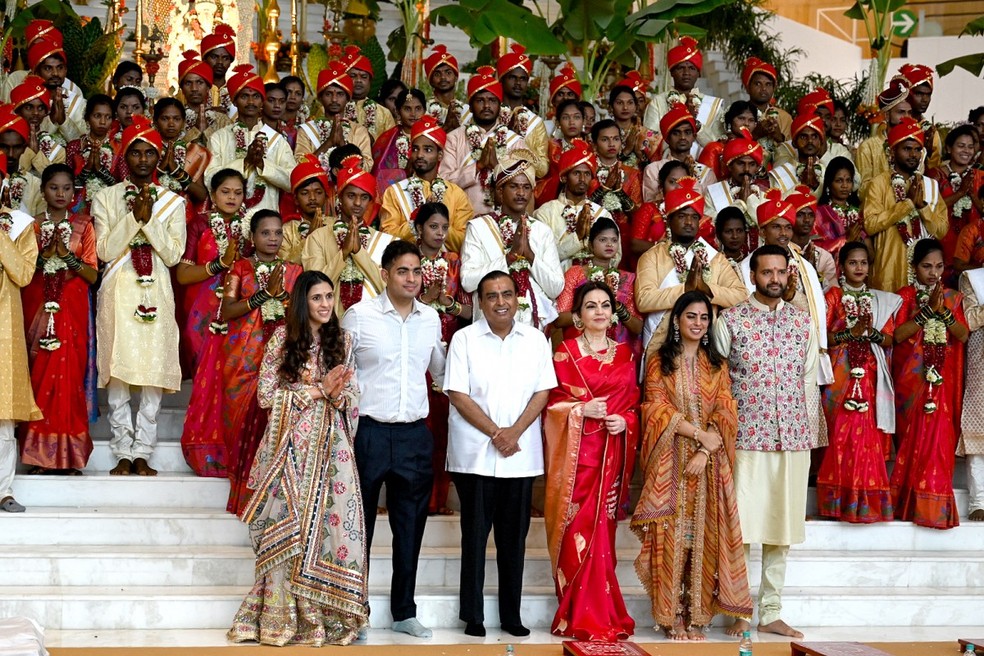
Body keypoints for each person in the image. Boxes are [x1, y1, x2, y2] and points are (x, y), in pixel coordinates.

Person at [228, 270, 368, 646]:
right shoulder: (282, 340)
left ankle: (326, 617)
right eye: (317, 298)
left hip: (332, 453)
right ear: (302, 303)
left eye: (329, 297)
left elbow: (352, 399)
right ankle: (281, 615)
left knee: (329, 533)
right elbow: (265, 396)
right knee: (288, 532)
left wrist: (337, 395)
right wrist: (317, 391)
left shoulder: (345, 340)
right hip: (290, 450)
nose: (326, 305)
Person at [341, 239, 447, 639]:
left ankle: (404, 611)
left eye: (417, 271)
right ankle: (356, 614)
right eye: (403, 271)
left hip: (414, 437)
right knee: (359, 530)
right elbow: (341, 371)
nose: (411, 278)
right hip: (368, 433)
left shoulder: (430, 319)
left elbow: (440, 372)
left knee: (409, 528)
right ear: (384, 274)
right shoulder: (359, 316)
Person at [632, 290, 752, 640]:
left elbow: (726, 410)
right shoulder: (659, 362)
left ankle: (699, 614)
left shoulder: (716, 364)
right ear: (677, 320)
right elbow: (655, 409)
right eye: (691, 317)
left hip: (708, 465)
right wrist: (699, 434)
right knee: (674, 536)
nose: (698, 324)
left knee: (705, 535)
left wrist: (704, 449)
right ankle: (673, 618)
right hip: (670, 462)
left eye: (704, 318)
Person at [445, 270, 556, 638]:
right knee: (474, 538)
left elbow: (542, 392)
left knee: (514, 540)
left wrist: (514, 433)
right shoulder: (464, 339)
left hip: (519, 455)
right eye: (491, 296)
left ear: (517, 297)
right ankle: (472, 616)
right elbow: (458, 394)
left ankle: (512, 615)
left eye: (506, 294)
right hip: (475, 455)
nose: (500, 302)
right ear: (479, 302)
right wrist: (497, 432)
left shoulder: (536, 340)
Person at [713, 244, 815, 639]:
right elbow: (717, 381)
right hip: (746, 437)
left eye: (780, 272)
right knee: (742, 528)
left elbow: (808, 381)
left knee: (781, 529)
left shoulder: (802, 323)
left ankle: (770, 610)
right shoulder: (731, 321)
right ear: (752, 276)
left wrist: (806, 430)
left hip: (791, 438)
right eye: (766, 272)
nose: (775, 279)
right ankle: (739, 610)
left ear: (789, 274)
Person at [544, 280, 638, 641]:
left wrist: (624, 421)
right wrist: (582, 409)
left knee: (603, 533)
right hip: (577, 460)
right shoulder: (565, 353)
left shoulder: (626, 355)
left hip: (610, 457)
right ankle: (574, 612)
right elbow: (552, 406)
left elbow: (632, 405)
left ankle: (603, 611)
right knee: (575, 532)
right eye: (590, 306)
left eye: (604, 305)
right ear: (578, 316)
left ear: (613, 313)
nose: (599, 311)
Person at [92, 116, 186, 477]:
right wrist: (134, 219)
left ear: (159, 159)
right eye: (136, 153)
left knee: (152, 370)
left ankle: (144, 450)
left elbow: (174, 255)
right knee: (118, 371)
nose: (143, 160)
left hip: (156, 290)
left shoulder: (173, 203)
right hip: (119, 290)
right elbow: (104, 250)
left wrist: (150, 220)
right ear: (125, 157)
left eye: (150, 153)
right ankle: (121, 452)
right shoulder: (106, 198)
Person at [221, 210, 302, 514]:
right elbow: (227, 310)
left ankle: (276, 498)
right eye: (265, 233)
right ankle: (244, 494)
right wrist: (262, 296)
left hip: (282, 356)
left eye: (278, 233)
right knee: (244, 423)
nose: (272, 239)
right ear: (252, 237)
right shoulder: (239, 268)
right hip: (244, 355)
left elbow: (300, 312)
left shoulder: (294, 271)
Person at [18, 164, 97, 475]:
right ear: (43, 192)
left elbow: (91, 274)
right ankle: (39, 457)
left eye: (67, 188)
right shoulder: (31, 227)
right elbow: (23, 272)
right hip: (37, 307)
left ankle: (70, 457)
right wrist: (43, 256)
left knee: (70, 379)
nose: (61, 194)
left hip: (72, 311)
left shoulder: (84, 226)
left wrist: (66, 255)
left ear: (74, 192)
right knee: (40, 379)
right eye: (54, 188)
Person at [817, 242, 899, 523]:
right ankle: (838, 503)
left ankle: (865, 502)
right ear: (842, 266)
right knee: (840, 432)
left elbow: (890, 337)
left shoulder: (878, 300)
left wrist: (869, 334)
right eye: (853, 263)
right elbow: (823, 336)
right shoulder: (833, 297)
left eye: (864, 263)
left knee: (866, 437)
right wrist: (849, 334)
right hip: (840, 375)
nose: (859, 268)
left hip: (869, 374)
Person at [176, 169, 250, 476]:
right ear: (212, 194)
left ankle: (234, 450)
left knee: (234, 382)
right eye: (225, 192)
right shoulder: (199, 224)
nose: (232, 198)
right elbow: (182, 274)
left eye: (237, 193)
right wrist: (219, 264)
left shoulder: (250, 227)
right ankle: (203, 450)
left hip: (238, 313)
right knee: (207, 379)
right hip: (202, 314)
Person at [891, 238, 967, 529]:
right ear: (914, 268)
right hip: (912, 380)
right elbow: (898, 336)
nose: (933, 273)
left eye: (938, 267)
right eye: (926, 267)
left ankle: (932, 505)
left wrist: (943, 312)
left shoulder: (953, 297)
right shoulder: (905, 296)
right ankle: (908, 502)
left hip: (942, 379)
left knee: (938, 438)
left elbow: (962, 335)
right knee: (912, 436)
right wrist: (926, 312)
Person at [635, 178, 747, 354]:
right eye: (682, 216)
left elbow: (741, 296)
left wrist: (707, 289)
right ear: (669, 220)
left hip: (705, 345)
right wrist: (685, 289)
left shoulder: (715, 258)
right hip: (662, 344)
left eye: (694, 217)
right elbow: (644, 300)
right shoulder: (651, 257)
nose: (689, 222)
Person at [459, 150, 564, 331]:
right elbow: (468, 281)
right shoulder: (478, 227)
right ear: (500, 190)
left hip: (532, 325)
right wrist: (509, 258)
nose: (521, 193)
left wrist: (530, 257)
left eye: (526, 187)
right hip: (488, 324)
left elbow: (555, 288)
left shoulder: (541, 231)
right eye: (514, 186)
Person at [413, 202, 473, 516]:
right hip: (416, 348)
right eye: (433, 226)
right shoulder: (407, 260)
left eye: (443, 227)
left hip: (449, 348)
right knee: (420, 424)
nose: (439, 233)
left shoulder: (455, 263)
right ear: (419, 229)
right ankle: (418, 499)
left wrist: (447, 305)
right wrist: (422, 303)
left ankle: (439, 499)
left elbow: (472, 311)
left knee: (445, 423)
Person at [0, 156, 42, 512]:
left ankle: (3, 490)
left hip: (4, 326)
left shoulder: (18, 225)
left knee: (3, 412)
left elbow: (24, 273)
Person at [863, 117, 947, 293]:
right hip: (889, 272)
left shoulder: (930, 186)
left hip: (924, 276)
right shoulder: (878, 183)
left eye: (917, 150)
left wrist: (922, 207)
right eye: (907, 149)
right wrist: (907, 204)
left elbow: (941, 230)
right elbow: (870, 225)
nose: (913, 155)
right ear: (893, 152)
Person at [302, 156, 391, 312]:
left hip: (373, 322)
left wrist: (358, 252)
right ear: (339, 197)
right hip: (330, 324)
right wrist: (343, 254)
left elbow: (389, 289)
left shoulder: (384, 241)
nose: (357, 203)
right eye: (351, 196)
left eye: (364, 197)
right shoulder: (317, 237)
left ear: (370, 201)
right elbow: (313, 289)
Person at [439, 66, 527, 217]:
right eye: (480, 100)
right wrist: (477, 167)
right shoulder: (454, 138)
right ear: (471, 107)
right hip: (461, 221)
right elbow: (443, 183)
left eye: (492, 100)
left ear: (500, 106)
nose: (487, 106)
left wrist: (496, 167)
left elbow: (523, 188)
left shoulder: (516, 142)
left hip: (504, 220)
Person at [205, 66, 295, 212]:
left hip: (266, 219)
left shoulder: (276, 140)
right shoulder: (219, 138)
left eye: (256, 96)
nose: (251, 102)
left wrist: (261, 164)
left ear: (262, 102)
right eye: (244, 96)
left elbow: (291, 181)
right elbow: (210, 179)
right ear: (234, 101)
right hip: (228, 218)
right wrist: (245, 162)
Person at [379, 115, 474, 253]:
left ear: (440, 155)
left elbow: (465, 242)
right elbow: (387, 238)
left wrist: (437, 224)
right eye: (416, 149)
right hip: (407, 268)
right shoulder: (394, 192)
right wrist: (417, 221)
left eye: (428, 149)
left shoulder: (456, 194)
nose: (420, 155)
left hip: (447, 270)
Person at [555, 217, 643, 357]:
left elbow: (637, 327)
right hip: (582, 351)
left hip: (616, 353)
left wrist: (617, 307)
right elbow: (559, 319)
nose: (609, 244)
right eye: (603, 240)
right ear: (590, 245)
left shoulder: (627, 278)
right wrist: (592, 313)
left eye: (614, 240)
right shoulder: (575, 273)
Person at [533, 138, 613, 268]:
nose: (582, 179)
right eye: (577, 173)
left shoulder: (603, 214)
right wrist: (577, 238)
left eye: (587, 174)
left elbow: (615, 256)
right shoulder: (545, 213)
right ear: (564, 177)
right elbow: (542, 257)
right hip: (559, 284)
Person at [643, 37, 724, 147]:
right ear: (672, 72)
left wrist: (695, 123)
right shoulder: (658, 103)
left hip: (704, 164)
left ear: (699, 73)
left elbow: (718, 146)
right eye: (680, 68)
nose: (686, 73)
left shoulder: (713, 106)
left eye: (691, 68)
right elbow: (648, 143)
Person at [295, 61, 374, 172]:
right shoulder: (306, 130)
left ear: (348, 98)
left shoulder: (359, 131)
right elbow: (300, 166)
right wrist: (329, 142)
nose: (334, 99)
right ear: (320, 98)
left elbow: (366, 167)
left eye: (340, 94)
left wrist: (342, 144)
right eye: (328, 94)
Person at [929, 125, 984, 270]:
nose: (966, 151)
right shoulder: (934, 176)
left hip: (972, 244)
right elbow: (930, 209)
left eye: (970, 147)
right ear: (948, 148)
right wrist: (960, 193)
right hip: (941, 240)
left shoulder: (980, 177)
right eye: (961, 146)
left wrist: (971, 194)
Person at [959, 267, 984, 521]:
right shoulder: (973, 279)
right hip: (981, 362)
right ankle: (979, 500)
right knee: (978, 429)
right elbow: (969, 320)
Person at [65, 94, 117, 210]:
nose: (103, 122)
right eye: (97, 116)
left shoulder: (118, 148)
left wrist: (99, 169)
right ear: (87, 118)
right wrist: (87, 168)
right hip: (78, 208)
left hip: (111, 207)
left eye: (108, 117)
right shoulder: (74, 147)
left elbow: (122, 187)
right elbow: (67, 186)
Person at [814, 156, 868, 263]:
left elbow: (870, 252)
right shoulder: (819, 214)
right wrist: (846, 240)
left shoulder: (859, 213)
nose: (845, 186)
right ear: (829, 183)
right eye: (839, 181)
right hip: (829, 273)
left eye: (848, 180)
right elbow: (817, 250)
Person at [371, 88, 425, 191]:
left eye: (418, 108)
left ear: (425, 110)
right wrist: (404, 174)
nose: (413, 114)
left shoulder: (431, 136)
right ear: (397, 111)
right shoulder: (387, 139)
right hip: (394, 192)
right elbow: (378, 173)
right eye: (407, 109)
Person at [279, 155, 329, 264]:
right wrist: (309, 238)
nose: (312, 198)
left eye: (318, 192)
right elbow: (286, 265)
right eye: (305, 193)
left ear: (326, 196)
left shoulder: (335, 225)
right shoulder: (287, 230)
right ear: (296, 199)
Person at [341, 45, 396, 141]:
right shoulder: (331, 110)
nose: (358, 80)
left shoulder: (384, 114)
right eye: (353, 76)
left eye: (364, 77)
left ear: (370, 81)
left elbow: (390, 148)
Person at [177, 50, 231, 143]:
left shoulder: (222, 120)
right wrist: (196, 130)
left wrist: (206, 130)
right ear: (182, 88)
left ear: (208, 87)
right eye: (188, 83)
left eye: (199, 83)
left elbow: (227, 154)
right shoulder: (175, 118)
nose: (194, 88)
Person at [697, 100, 758, 181]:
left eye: (751, 120)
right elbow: (706, 183)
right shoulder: (715, 149)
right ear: (730, 121)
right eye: (741, 118)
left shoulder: (758, 150)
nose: (746, 124)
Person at [423, 45, 468, 130]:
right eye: (437, 74)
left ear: (456, 77)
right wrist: (446, 127)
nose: (443, 77)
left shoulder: (467, 111)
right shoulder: (424, 109)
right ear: (431, 80)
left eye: (448, 73)